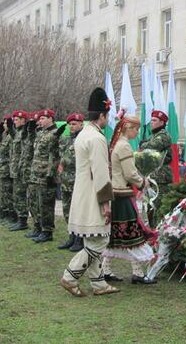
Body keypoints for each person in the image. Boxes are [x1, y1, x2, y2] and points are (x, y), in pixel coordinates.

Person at [61, 87, 120, 297]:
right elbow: (101, 173)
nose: (108, 119)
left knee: (91, 239)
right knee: (100, 240)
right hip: (94, 195)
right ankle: (70, 276)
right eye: (108, 116)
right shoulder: (96, 138)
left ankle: (99, 283)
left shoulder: (84, 134)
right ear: (102, 115)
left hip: (82, 192)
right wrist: (105, 204)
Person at [102, 114, 156, 285]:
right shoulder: (124, 146)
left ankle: (106, 270)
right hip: (123, 194)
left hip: (115, 192)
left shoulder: (116, 144)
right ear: (128, 128)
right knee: (133, 233)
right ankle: (138, 273)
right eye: (136, 129)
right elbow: (130, 173)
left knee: (116, 233)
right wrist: (143, 182)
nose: (137, 132)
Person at [29, 109, 64, 243]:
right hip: (36, 174)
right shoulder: (41, 133)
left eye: (43, 118)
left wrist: (51, 173)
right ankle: (38, 227)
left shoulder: (55, 134)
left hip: (46, 175)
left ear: (50, 119)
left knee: (46, 205)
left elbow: (54, 156)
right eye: (40, 119)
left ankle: (47, 231)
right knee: (35, 203)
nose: (40, 121)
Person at [57, 113, 85, 251]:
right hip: (65, 180)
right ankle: (71, 237)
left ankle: (80, 239)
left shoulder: (84, 138)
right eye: (70, 124)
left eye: (74, 124)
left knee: (79, 211)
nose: (71, 126)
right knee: (67, 210)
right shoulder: (65, 139)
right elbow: (61, 156)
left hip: (78, 180)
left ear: (81, 124)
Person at [9, 110, 29, 231]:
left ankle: (23, 221)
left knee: (21, 195)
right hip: (15, 169)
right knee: (17, 195)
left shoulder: (25, 133)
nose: (14, 122)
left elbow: (25, 152)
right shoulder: (17, 133)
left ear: (23, 120)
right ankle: (20, 219)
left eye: (16, 120)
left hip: (22, 169)